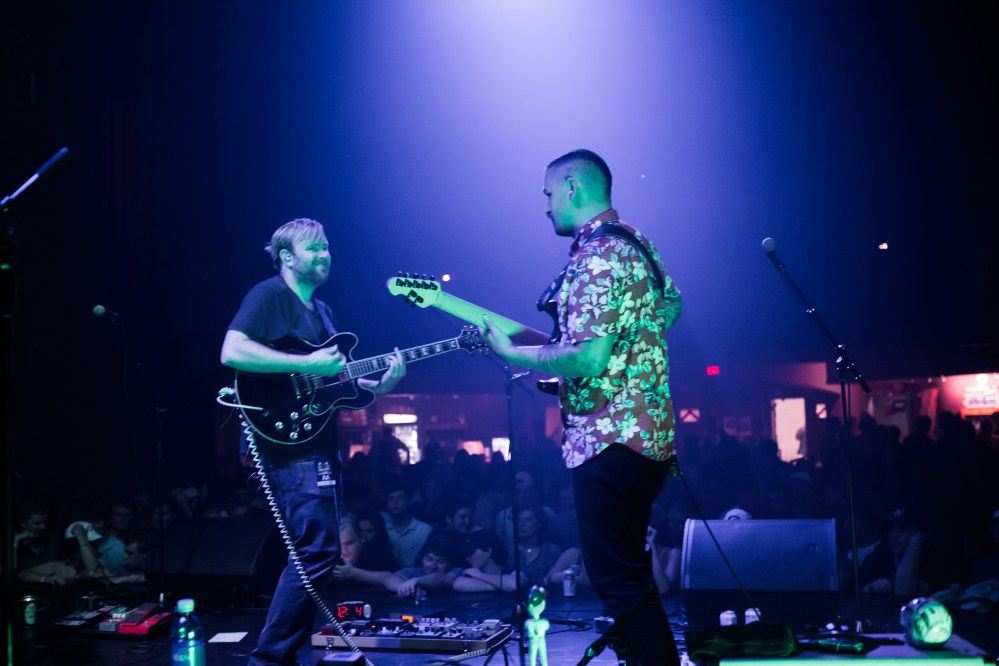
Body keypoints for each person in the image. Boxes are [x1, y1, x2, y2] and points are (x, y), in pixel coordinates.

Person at [481, 149, 682, 665]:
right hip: (648, 436)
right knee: (628, 573)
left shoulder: (597, 255)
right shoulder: (636, 243)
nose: (545, 205)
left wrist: (511, 353)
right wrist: (631, 352)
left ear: (572, 187)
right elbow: (671, 305)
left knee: (617, 578)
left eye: (549, 193)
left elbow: (588, 357)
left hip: (609, 438)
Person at [221, 218, 406, 665]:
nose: (325, 255)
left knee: (317, 551)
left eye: (327, 247)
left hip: (316, 440)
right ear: (286, 257)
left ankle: (276, 655)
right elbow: (232, 350)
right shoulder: (269, 295)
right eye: (314, 248)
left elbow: (331, 384)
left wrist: (377, 386)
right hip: (284, 440)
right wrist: (305, 364)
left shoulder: (323, 312)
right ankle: (270, 659)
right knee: (316, 550)